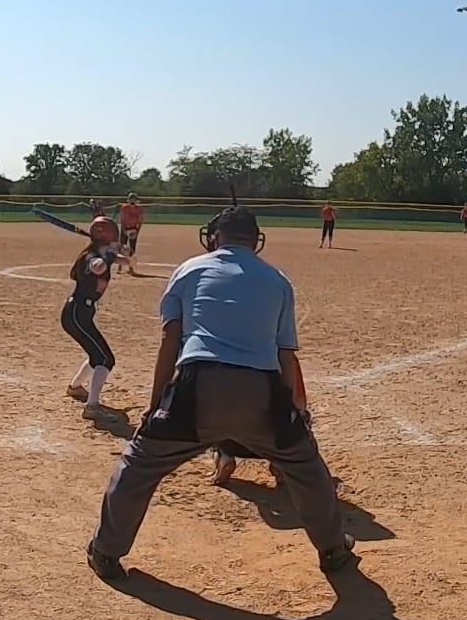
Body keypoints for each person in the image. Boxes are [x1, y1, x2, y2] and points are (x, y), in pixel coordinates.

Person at [86, 204, 355, 584]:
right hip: (261, 392)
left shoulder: (189, 269)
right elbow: (285, 356)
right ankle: (333, 549)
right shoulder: (277, 280)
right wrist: (293, 414)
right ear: (256, 240)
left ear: (215, 238)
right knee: (307, 468)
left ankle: (106, 551)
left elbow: (170, 341)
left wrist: (155, 406)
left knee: (138, 466)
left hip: (198, 388)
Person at [62, 217, 129, 417]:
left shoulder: (100, 254)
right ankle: (92, 407)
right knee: (105, 359)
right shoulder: (91, 257)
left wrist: (119, 254)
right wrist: (110, 255)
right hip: (76, 314)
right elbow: (98, 267)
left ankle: (75, 387)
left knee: (97, 355)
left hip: (81, 314)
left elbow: (127, 261)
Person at [118, 194, 145, 274]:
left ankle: (131, 267)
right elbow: (122, 219)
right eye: (131, 199)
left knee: (132, 248)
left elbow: (140, 221)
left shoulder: (139, 210)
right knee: (122, 247)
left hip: (133, 229)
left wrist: (137, 231)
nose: (132, 201)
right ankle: (120, 265)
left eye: (134, 199)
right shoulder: (124, 208)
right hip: (125, 228)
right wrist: (123, 229)